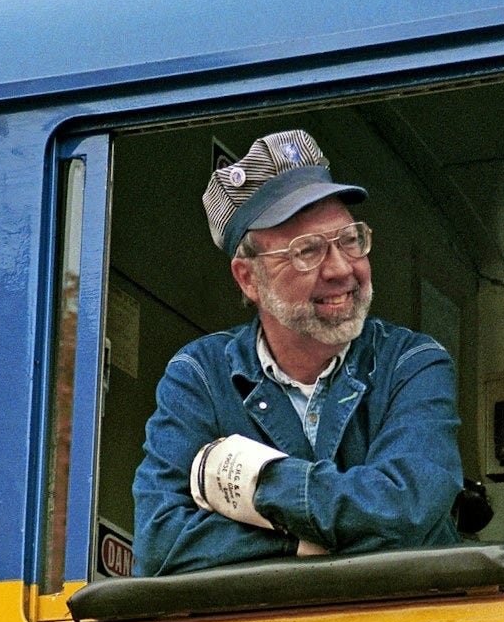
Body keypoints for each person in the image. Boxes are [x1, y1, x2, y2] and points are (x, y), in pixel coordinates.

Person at [131, 129, 464, 576]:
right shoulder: (199, 376)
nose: (342, 268)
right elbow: (161, 545)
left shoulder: (412, 361)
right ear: (248, 279)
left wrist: (254, 480)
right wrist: (309, 543)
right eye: (307, 251)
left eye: (350, 240)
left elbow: (408, 510)